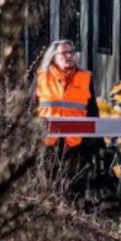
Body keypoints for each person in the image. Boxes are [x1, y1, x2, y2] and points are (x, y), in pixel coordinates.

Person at [35, 39, 100, 199]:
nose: (69, 56)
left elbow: (92, 111)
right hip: (48, 142)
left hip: (76, 143)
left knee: (74, 187)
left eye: (72, 52)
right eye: (64, 53)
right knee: (48, 186)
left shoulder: (85, 78)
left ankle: (74, 219)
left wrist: (91, 141)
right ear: (53, 57)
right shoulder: (41, 78)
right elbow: (30, 110)